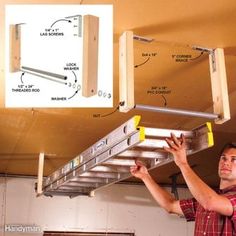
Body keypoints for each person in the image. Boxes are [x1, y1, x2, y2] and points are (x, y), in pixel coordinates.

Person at [130, 133, 236, 235]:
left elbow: (210, 202)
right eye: (224, 158)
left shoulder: (212, 200)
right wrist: (145, 176)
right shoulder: (203, 200)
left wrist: (182, 163)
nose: (226, 162)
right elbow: (170, 205)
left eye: (234, 160)